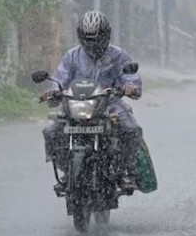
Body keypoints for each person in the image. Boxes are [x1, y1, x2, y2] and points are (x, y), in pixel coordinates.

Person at [41, 11, 143, 191]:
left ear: (106, 35)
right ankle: (67, 169)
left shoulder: (118, 56)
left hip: (110, 103)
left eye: (96, 38)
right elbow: (60, 78)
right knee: (51, 131)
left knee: (131, 129)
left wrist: (130, 87)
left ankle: (127, 171)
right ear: (80, 36)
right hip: (76, 105)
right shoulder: (72, 56)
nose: (92, 43)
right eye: (88, 39)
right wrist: (52, 92)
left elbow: (131, 78)